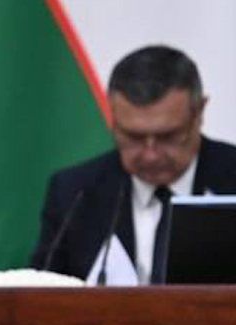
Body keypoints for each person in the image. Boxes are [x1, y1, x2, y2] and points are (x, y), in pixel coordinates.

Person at [32, 45, 236, 284]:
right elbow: (42, 290)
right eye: (133, 137)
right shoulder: (76, 193)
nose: (151, 155)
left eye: (168, 137)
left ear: (199, 112)